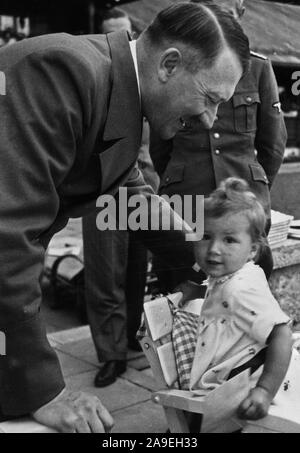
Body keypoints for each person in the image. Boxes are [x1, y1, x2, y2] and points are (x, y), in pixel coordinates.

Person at [0, 2, 249, 432]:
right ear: (169, 64)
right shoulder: (62, 71)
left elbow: (126, 191)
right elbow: (7, 235)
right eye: (209, 99)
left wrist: (213, 257)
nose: (209, 121)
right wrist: (43, 389)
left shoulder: (116, 89)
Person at [150, 0, 287, 293]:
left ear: (241, 14)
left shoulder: (259, 68)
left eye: (226, 13)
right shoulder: (185, 66)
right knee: (180, 285)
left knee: (249, 291)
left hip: (244, 195)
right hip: (186, 200)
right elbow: (160, 145)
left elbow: (273, 144)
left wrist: (255, 188)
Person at [83, 8, 160, 388]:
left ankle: (129, 334)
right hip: (103, 194)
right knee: (104, 274)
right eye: (112, 34)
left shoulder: (147, 80)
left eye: (126, 33)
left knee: (135, 270)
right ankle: (110, 354)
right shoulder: (97, 79)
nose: (121, 41)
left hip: (142, 187)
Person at [174, 178, 293, 422]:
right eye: (206, 236)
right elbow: (219, 295)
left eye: (229, 240)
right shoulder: (236, 273)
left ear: (252, 250)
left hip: (240, 384)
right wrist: (197, 291)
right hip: (231, 372)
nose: (214, 249)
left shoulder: (240, 289)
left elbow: (282, 333)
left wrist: (264, 390)